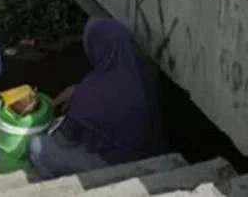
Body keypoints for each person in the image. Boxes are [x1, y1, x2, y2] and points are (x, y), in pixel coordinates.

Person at [28, 18, 165, 179]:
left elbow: (66, 138)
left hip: (115, 168)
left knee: (38, 145)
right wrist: (77, 92)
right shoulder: (143, 76)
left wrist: (52, 106)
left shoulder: (91, 93)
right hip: (147, 156)